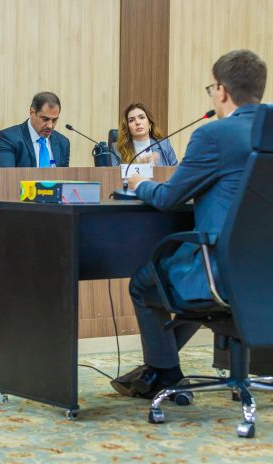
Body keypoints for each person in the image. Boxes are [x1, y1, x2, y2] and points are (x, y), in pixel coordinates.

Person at [111, 50, 267, 399]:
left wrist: (139, 184)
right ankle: (158, 370)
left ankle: (164, 373)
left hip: (222, 268)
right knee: (184, 282)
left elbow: (168, 197)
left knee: (146, 284)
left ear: (222, 90)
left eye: (212, 89)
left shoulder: (214, 136)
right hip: (264, 272)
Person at [0, 92, 70, 168]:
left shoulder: (62, 143)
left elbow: (64, 176)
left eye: (54, 120)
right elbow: (5, 175)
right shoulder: (7, 139)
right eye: (45, 119)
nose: (50, 126)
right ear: (32, 113)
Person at [111, 102, 178, 166]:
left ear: (150, 124)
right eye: (131, 120)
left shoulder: (164, 145)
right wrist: (139, 166)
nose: (137, 122)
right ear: (127, 127)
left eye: (141, 117)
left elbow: (176, 171)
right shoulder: (117, 150)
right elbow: (114, 173)